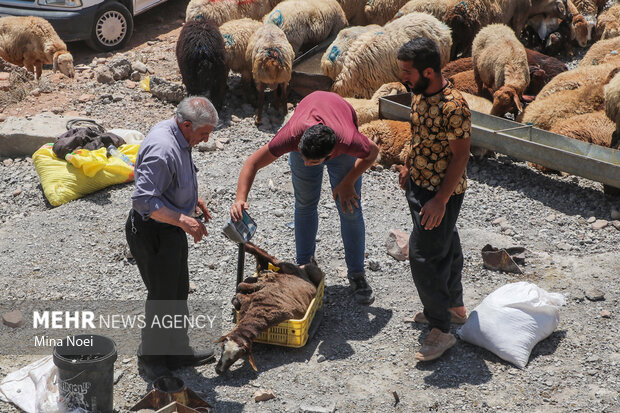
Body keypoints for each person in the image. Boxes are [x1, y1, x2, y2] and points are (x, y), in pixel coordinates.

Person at [230, 91, 380, 305]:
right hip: (308, 125)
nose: (307, 164)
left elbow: (372, 154)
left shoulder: (348, 140)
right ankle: (303, 269)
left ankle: (357, 275)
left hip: (338, 123)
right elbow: (252, 163)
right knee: (305, 204)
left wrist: (348, 181)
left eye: (314, 162)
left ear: (329, 155)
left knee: (350, 208)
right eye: (304, 158)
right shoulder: (292, 136)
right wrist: (240, 198)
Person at [125, 96, 217, 380]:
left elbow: (171, 180)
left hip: (171, 227)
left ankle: (176, 351)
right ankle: (152, 359)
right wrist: (182, 218)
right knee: (162, 297)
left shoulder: (180, 134)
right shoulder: (162, 148)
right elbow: (144, 200)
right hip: (153, 231)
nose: (204, 140)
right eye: (203, 134)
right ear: (187, 125)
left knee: (177, 292)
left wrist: (192, 201)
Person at [397, 37, 471, 361]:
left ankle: (441, 328)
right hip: (420, 187)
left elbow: (460, 157)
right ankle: (454, 306)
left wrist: (440, 200)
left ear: (429, 71)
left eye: (408, 72)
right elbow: (418, 135)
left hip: (442, 193)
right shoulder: (419, 93)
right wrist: (408, 164)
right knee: (446, 242)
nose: (404, 78)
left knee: (423, 255)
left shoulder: (454, 106)